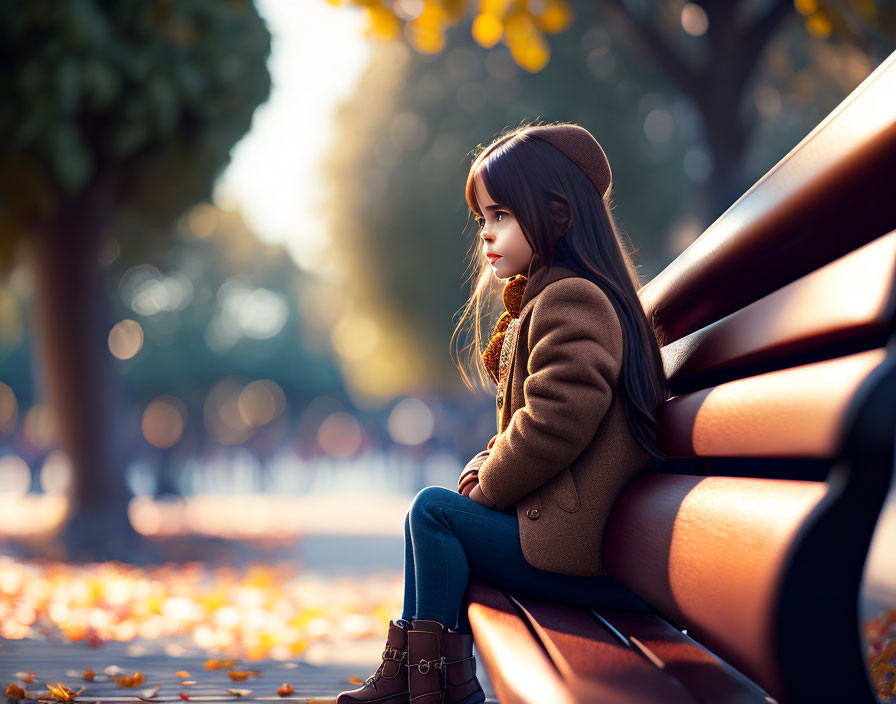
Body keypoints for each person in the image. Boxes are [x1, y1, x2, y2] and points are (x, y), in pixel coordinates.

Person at [336, 122, 670, 704]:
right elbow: (526, 416)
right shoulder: (557, 296)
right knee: (438, 512)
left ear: (558, 217)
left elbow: (556, 419)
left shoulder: (574, 298)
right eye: (482, 219)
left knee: (434, 514)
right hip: (579, 542)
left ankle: (426, 683)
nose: (487, 235)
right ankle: (422, 680)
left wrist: (486, 488)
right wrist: (482, 466)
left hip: (581, 552)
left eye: (501, 217)